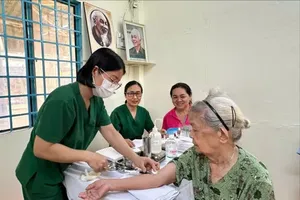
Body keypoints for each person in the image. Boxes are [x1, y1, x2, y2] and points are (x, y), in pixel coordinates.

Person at [79, 88, 275, 200]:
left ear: (222, 135)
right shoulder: (196, 157)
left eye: (196, 131)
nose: (191, 138)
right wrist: (109, 184)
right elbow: (156, 179)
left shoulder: (255, 180)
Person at [15, 48, 159, 200]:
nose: (113, 86)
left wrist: (136, 159)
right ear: (95, 71)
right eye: (112, 80)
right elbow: (41, 148)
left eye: (117, 83)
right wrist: (88, 156)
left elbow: (110, 132)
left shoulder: (96, 101)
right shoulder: (63, 100)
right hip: (40, 175)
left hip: (62, 170)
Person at [110, 80, 154, 147]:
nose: (135, 97)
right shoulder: (117, 113)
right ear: (125, 95)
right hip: (120, 147)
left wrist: (158, 133)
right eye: (131, 94)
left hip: (137, 147)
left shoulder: (144, 112)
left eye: (138, 93)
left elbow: (151, 130)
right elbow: (112, 136)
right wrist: (123, 141)